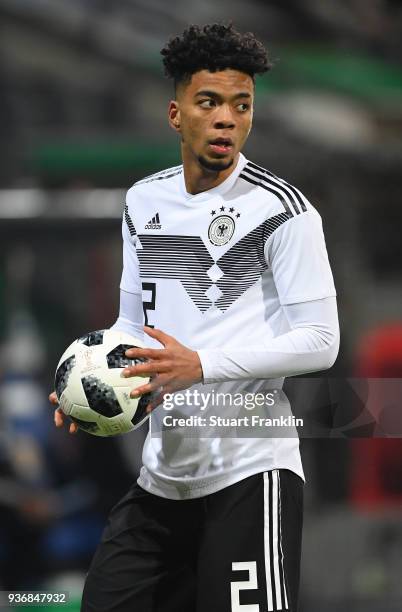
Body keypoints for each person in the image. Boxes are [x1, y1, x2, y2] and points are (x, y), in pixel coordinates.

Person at [50, 23, 339, 612]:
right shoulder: (142, 200)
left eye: (242, 105)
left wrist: (199, 365)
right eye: (209, 102)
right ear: (176, 113)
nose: (227, 118)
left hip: (251, 473)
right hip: (163, 477)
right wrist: (94, 384)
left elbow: (322, 341)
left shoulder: (283, 210)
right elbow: (131, 324)